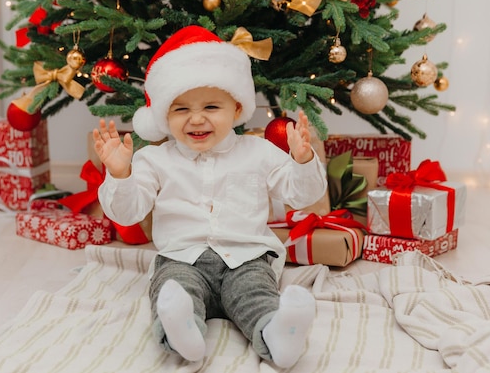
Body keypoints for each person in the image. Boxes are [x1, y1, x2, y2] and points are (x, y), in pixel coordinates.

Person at [94, 25, 327, 368]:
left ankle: (276, 333)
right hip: (182, 258)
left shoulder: (258, 151)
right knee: (174, 290)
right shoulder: (153, 160)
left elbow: (302, 194)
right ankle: (182, 331)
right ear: (163, 117)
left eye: (211, 107)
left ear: (236, 109)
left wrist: (303, 161)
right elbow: (127, 213)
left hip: (246, 258)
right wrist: (119, 173)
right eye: (181, 109)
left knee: (256, 295)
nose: (197, 119)